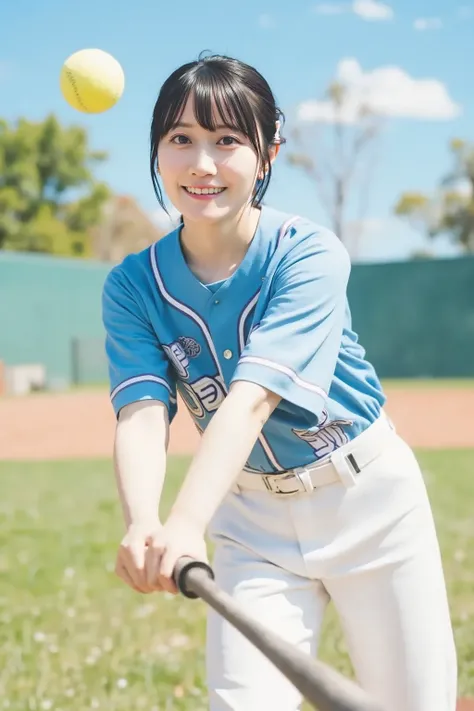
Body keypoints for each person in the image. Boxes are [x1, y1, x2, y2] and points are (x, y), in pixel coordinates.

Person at [101, 53, 457, 711]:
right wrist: (146, 521)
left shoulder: (309, 254)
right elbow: (142, 413)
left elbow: (254, 397)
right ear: (156, 151)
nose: (202, 163)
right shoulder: (131, 284)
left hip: (368, 502)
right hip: (252, 524)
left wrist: (185, 520)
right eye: (181, 138)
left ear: (267, 155)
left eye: (227, 140)